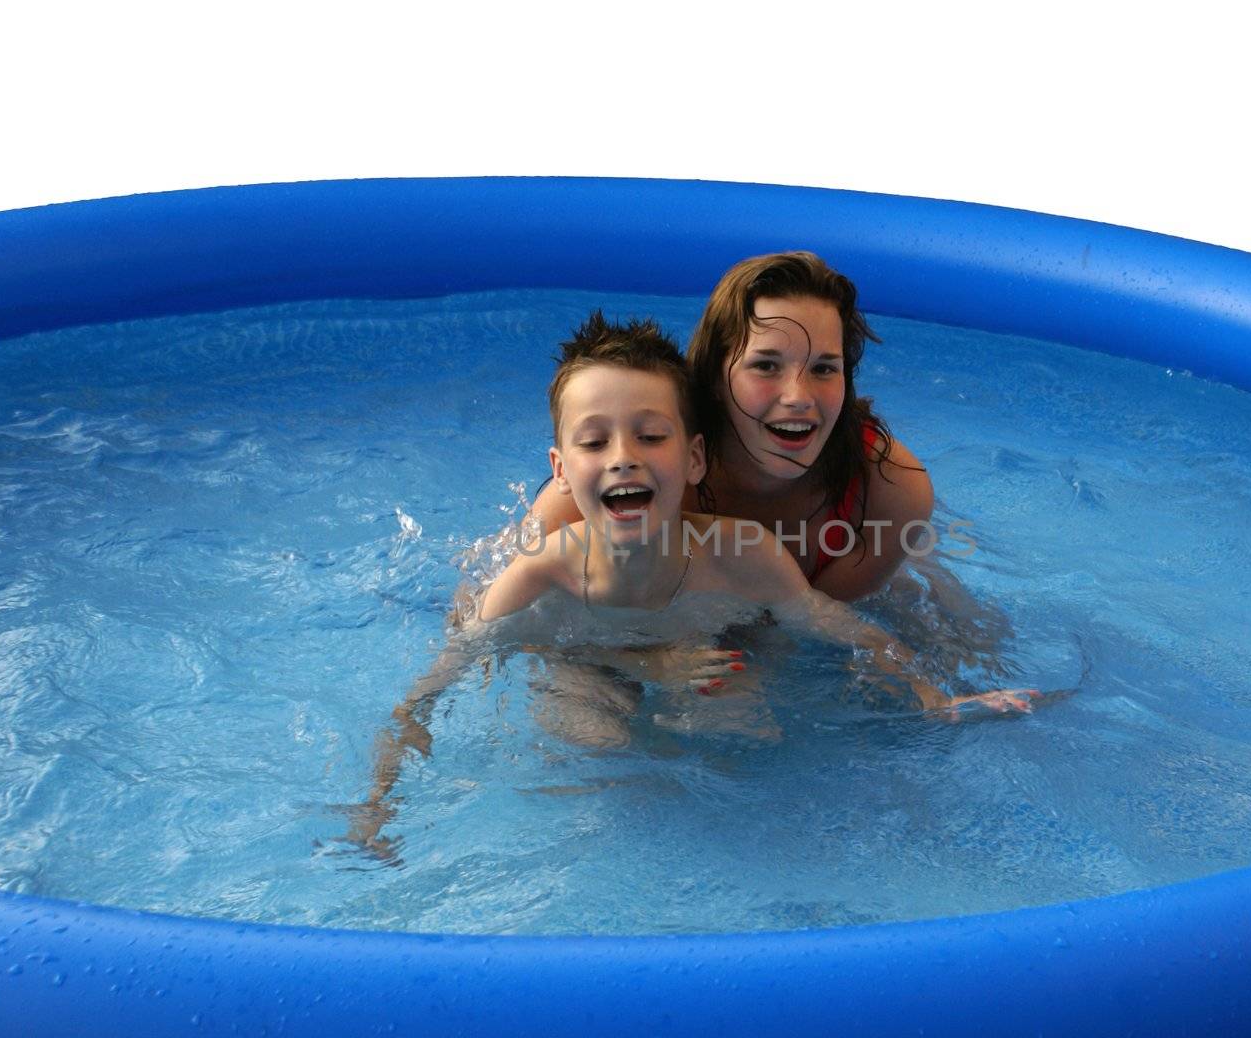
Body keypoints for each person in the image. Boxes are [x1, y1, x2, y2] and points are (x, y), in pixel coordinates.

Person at [346, 312, 1040, 858]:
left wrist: (933, 695)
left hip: (702, 650)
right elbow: (432, 690)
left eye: (651, 436)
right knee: (593, 750)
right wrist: (378, 801)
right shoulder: (538, 576)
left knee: (749, 732)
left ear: (696, 455)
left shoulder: (740, 555)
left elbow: (843, 627)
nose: (623, 459)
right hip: (581, 656)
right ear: (560, 468)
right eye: (595, 442)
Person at [529, 251, 934, 603]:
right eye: (765, 365)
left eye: (824, 368)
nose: (798, 396)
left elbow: (813, 635)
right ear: (715, 377)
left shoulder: (890, 491)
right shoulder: (644, 468)